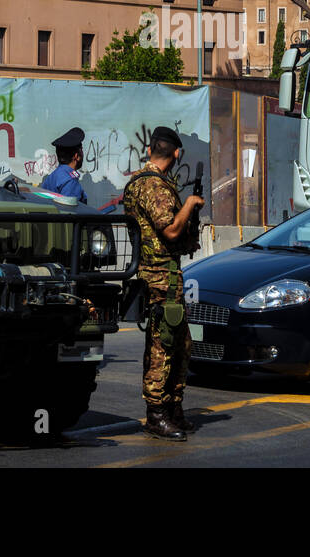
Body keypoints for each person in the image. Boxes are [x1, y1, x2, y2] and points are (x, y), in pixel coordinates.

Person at [122, 125, 203, 441]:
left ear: (150, 149)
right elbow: (168, 230)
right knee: (163, 346)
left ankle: (173, 409)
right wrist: (189, 205)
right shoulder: (154, 187)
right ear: (177, 153)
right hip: (159, 278)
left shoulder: (140, 183)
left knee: (180, 344)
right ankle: (157, 415)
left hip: (163, 276)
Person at [41, 126, 88, 205]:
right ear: (76, 156)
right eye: (82, 149)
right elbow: (69, 212)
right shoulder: (70, 181)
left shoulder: (53, 177)